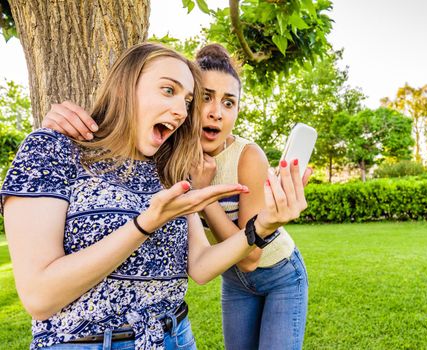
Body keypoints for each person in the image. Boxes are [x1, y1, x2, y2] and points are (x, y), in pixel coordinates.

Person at [1, 42, 308, 350]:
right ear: (124, 86)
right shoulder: (55, 148)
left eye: (187, 101)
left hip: (177, 334)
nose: (180, 111)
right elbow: (39, 297)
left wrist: (265, 225)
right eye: (168, 90)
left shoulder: (169, 166)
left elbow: (201, 264)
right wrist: (146, 223)